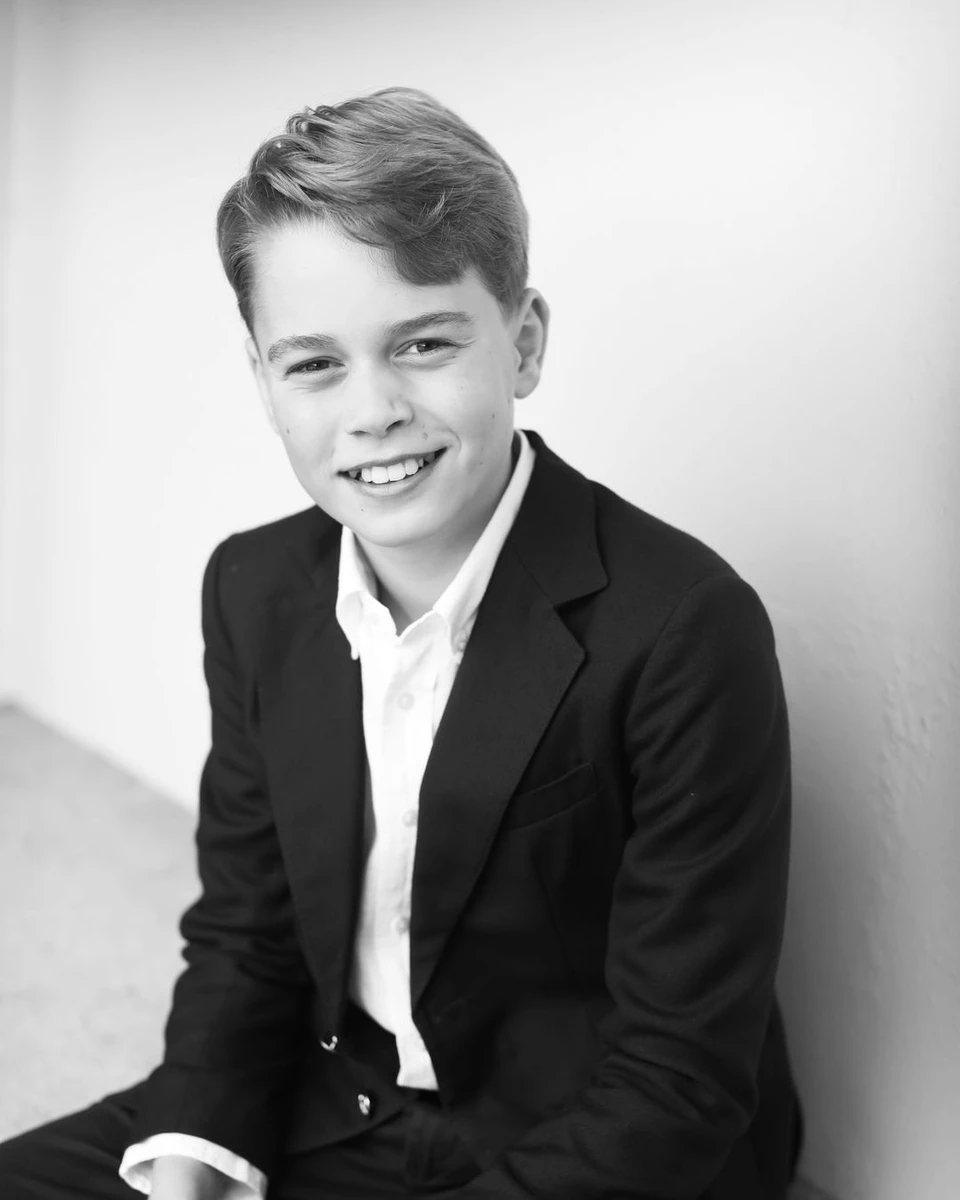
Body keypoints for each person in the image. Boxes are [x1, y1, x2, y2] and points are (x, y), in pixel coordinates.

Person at [0, 87, 802, 1199]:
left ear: (523, 343)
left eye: (423, 343)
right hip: (339, 1095)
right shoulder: (254, 588)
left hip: (585, 1145)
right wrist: (191, 1162)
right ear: (264, 382)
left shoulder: (684, 626)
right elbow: (248, 930)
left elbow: (677, 1080)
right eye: (314, 363)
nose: (371, 409)